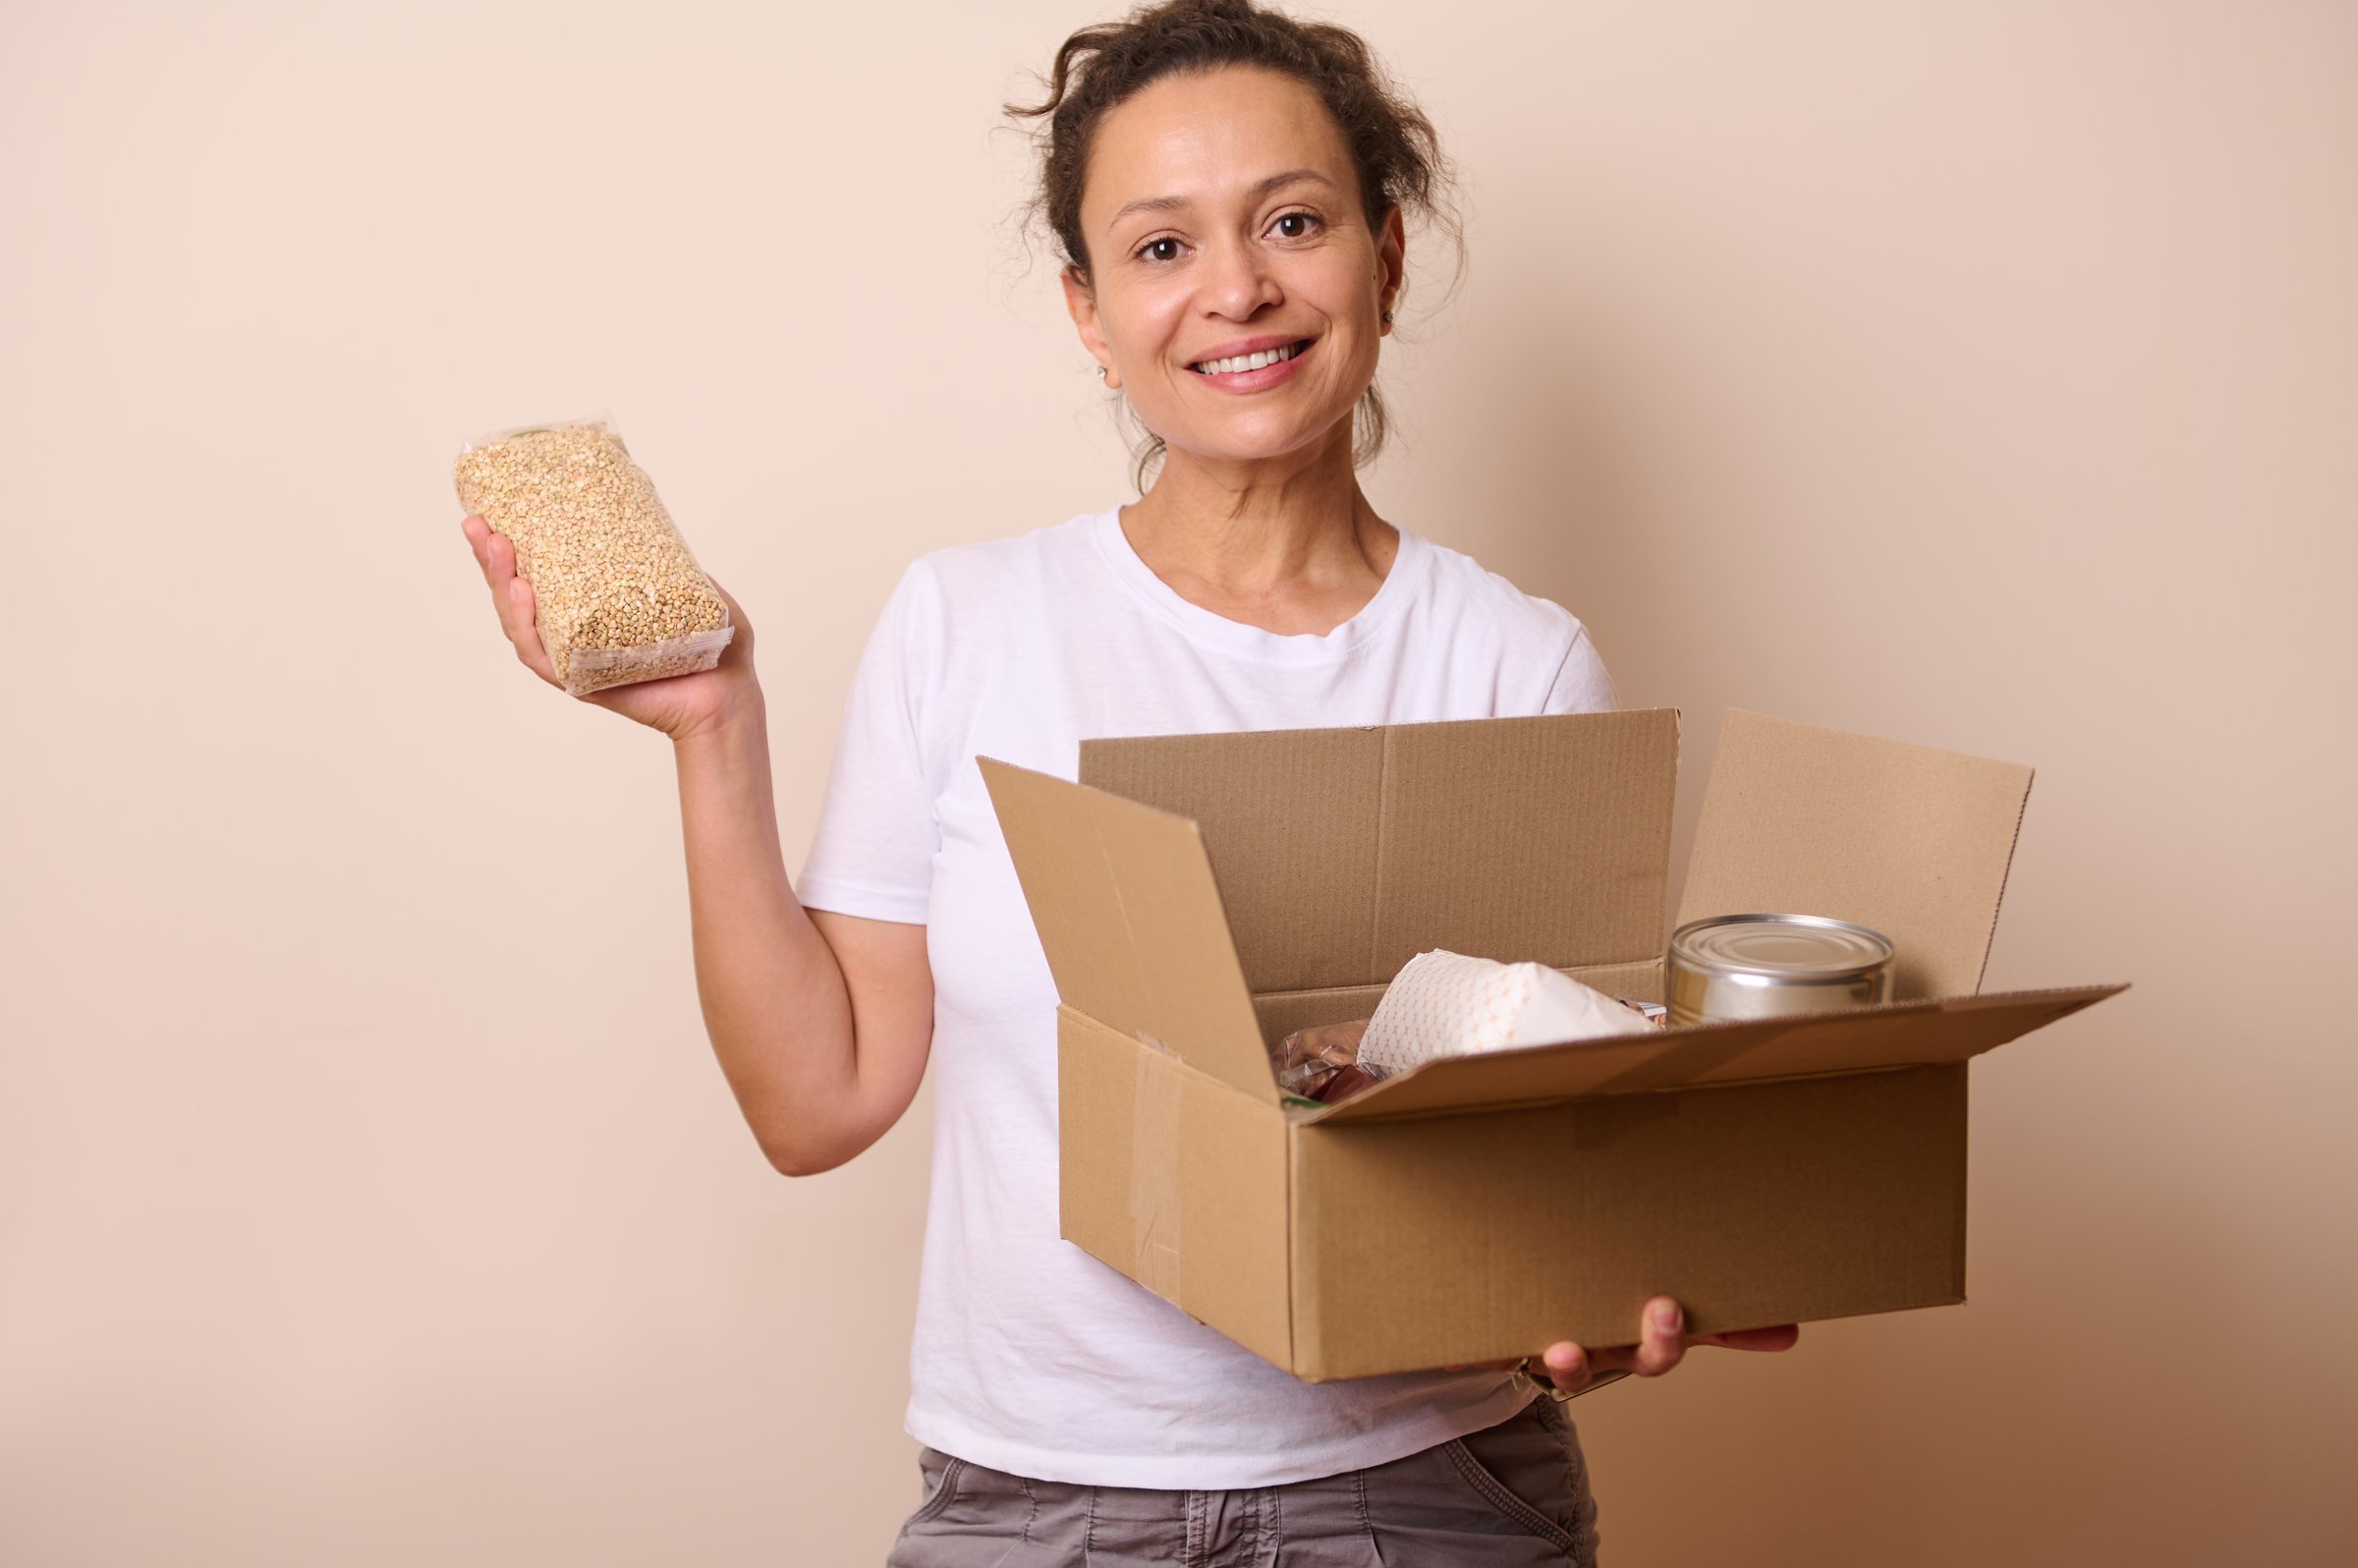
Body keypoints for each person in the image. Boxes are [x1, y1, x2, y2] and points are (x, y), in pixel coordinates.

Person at [459, 2, 1797, 1559]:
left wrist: (1615, 1294)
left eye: (1293, 222)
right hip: (1032, 1496)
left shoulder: (1516, 662)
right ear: (1091, 313)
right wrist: (717, 736)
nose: (1237, 288)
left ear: (1388, 254)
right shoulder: (969, 624)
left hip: (1424, 1491)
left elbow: (1563, 1163)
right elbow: (817, 1106)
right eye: (1162, 249)